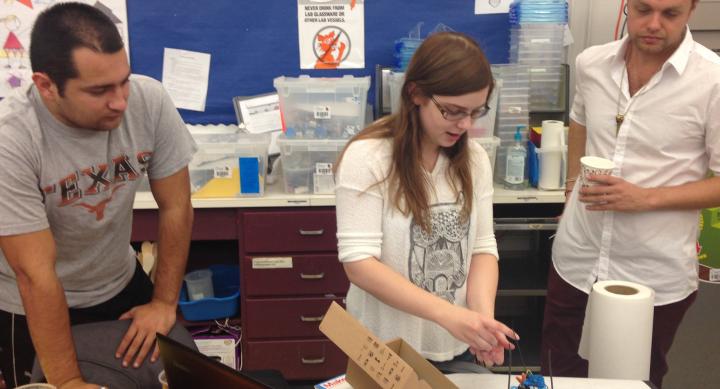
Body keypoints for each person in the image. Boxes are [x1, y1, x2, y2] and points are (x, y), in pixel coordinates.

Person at [0, 3, 197, 388]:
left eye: (123, 80)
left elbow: (176, 206)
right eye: (99, 90)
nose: (121, 101)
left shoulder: (149, 101)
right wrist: (68, 381)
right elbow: (35, 275)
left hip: (121, 285)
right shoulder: (12, 140)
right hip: (29, 307)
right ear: (46, 86)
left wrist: (163, 302)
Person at [540, 0, 719, 387]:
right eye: (643, 10)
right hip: (577, 258)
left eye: (670, 13)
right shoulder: (592, 63)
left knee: (632, 380)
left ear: (692, 10)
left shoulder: (712, 80)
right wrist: (571, 191)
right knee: (557, 374)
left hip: (652, 269)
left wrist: (646, 198)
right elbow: (579, 121)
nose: (653, 24)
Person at [334, 31, 518, 370]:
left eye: (476, 112)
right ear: (415, 93)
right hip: (381, 349)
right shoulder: (368, 158)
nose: (465, 124)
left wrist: (481, 322)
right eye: (452, 111)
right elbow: (359, 263)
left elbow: (481, 248)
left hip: (454, 343)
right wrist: (449, 315)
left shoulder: (475, 160)